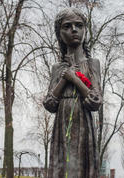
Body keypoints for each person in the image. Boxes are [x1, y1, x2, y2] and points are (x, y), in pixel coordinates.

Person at [43, 8, 102, 178]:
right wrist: (64, 78)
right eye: (67, 26)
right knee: (62, 167)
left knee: (80, 168)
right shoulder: (57, 68)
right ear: (59, 33)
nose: (74, 30)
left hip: (83, 122)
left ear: (85, 30)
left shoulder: (92, 64)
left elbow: (95, 101)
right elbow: (50, 103)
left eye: (79, 25)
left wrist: (75, 79)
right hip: (62, 123)